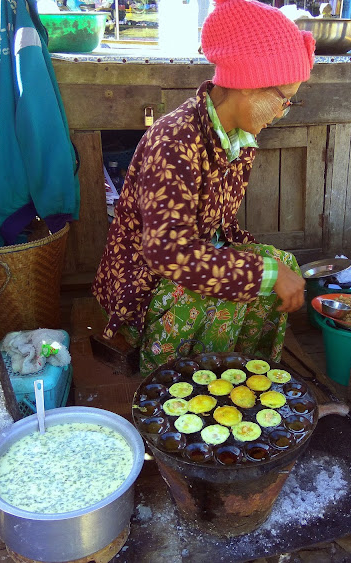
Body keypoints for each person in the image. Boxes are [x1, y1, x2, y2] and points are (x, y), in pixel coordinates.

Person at [92, 0, 316, 376]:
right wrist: (264, 273)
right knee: (241, 286)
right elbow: (168, 254)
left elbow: (220, 228)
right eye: (282, 99)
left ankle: (244, 377)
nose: (282, 111)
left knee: (284, 264)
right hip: (146, 283)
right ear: (248, 86)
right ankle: (180, 386)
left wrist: (268, 265)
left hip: (190, 260)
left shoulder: (238, 138)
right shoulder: (174, 140)